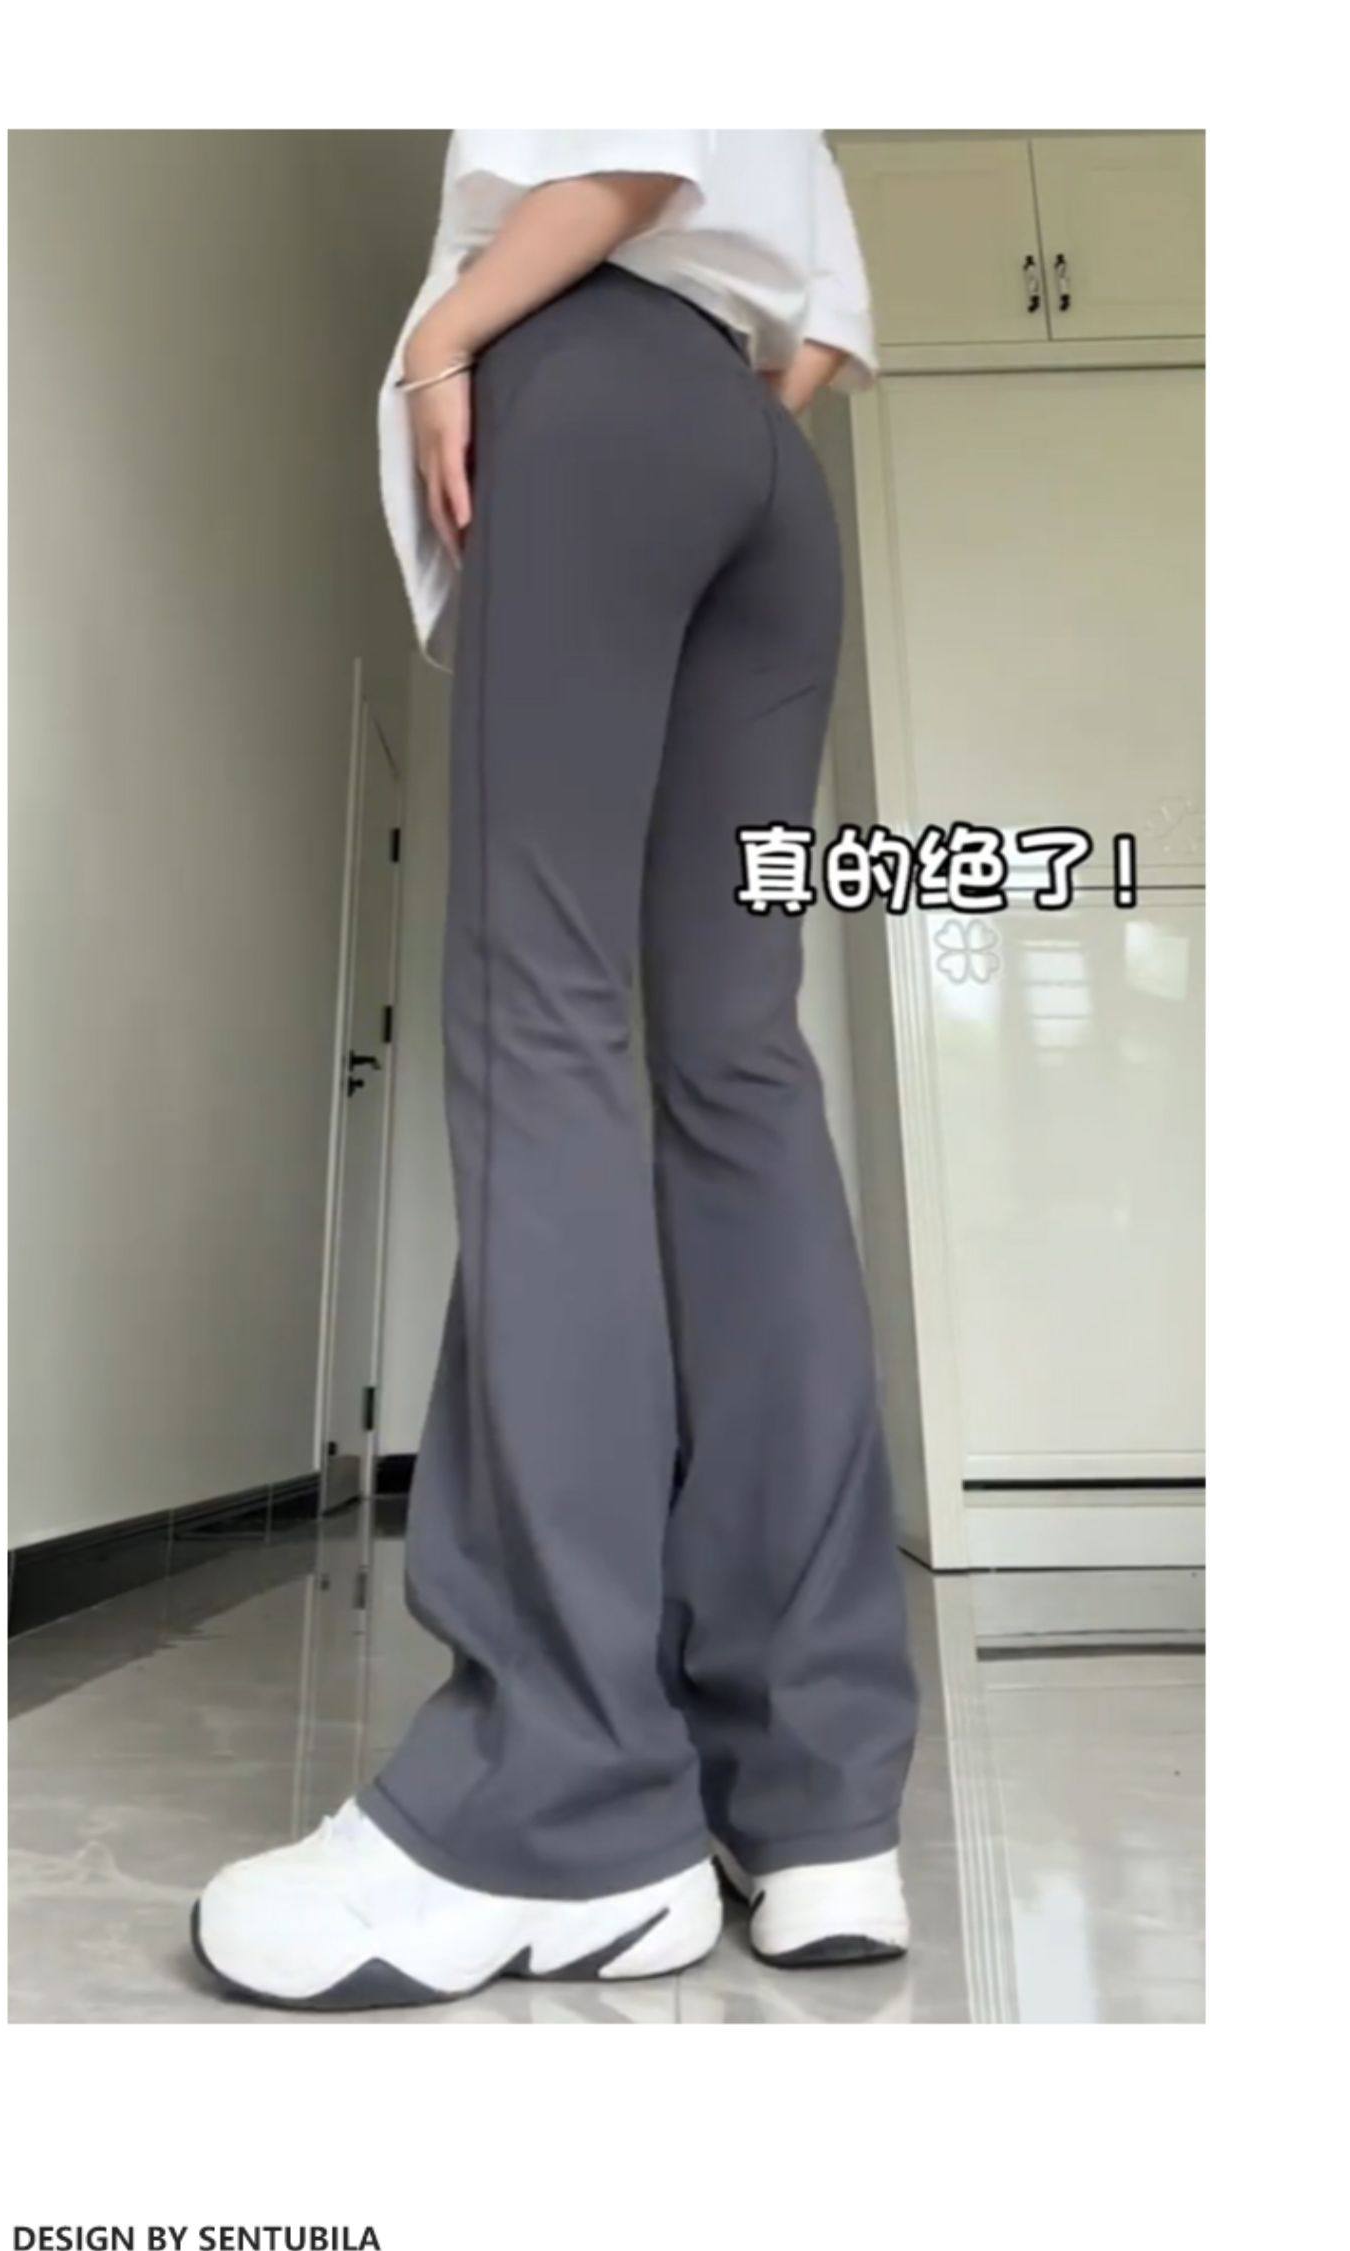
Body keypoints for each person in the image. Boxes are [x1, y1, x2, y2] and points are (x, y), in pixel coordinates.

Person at [193, 130, 919, 2010]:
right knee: (741, 1075)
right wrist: (692, 414)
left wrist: (453, 332)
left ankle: (564, 1801)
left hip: (593, 376)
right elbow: (820, 332)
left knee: (545, 1023)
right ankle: (813, 1794)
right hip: (764, 460)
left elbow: (630, 150)